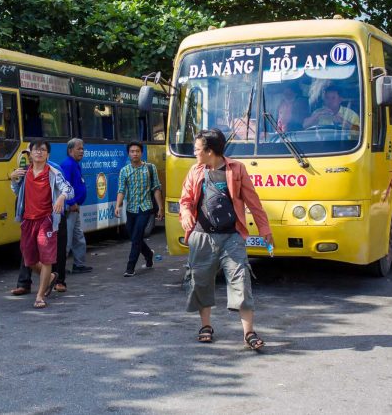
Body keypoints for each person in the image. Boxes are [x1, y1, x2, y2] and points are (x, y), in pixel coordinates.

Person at [179, 129, 273, 349]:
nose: (195, 152)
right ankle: (206, 326)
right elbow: (185, 200)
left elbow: (253, 201)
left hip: (232, 236)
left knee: (241, 279)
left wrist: (264, 228)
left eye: (197, 148)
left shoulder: (236, 169)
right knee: (201, 281)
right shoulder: (195, 171)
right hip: (202, 236)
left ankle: (248, 333)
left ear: (210, 151)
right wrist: (185, 215)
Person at [10, 140, 73, 308]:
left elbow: (69, 190)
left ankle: (40, 296)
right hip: (28, 221)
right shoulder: (24, 173)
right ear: (30, 153)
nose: (39, 152)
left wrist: (61, 197)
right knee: (29, 260)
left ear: (48, 154)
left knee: (46, 258)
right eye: (35, 150)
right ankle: (51, 278)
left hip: (47, 220)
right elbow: (17, 192)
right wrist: (13, 179)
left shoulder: (53, 172)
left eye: (42, 150)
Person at [114, 141, 164, 277]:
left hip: (145, 207)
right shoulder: (125, 171)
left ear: (141, 153)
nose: (135, 153)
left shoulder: (150, 168)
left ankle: (130, 268)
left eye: (137, 151)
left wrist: (160, 207)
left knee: (136, 237)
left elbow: (156, 188)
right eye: (132, 151)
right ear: (129, 154)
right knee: (134, 236)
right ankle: (148, 254)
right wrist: (118, 206)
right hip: (131, 209)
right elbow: (121, 190)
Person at [61, 138, 91, 275]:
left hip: (75, 207)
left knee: (78, 237)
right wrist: (71, 203)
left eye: (82, 149)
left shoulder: (75, 164)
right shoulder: (68, 164)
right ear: (70, 150)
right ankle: (59, 268)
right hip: (70, 207)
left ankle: (79, 264)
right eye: (79, 149)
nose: (82, 151)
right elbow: (65, 186)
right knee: (66, 240)